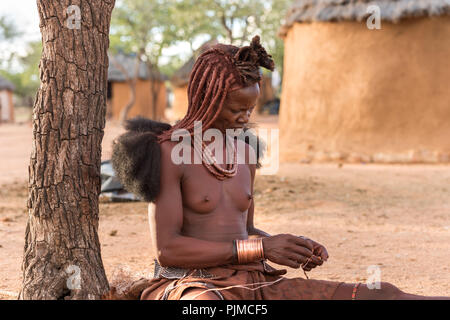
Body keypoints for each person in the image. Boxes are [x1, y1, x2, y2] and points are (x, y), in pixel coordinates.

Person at [107, 36, 448, 300]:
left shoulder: (245, 151)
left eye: (251, 107)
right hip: (193, 286)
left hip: (254, 280)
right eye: (237, 108)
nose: (246, 117)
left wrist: (290, 247)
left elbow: (246, 229)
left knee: (381, 292)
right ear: (207, 99)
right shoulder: (168, 152)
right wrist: (262, 249)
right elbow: (168, 248)